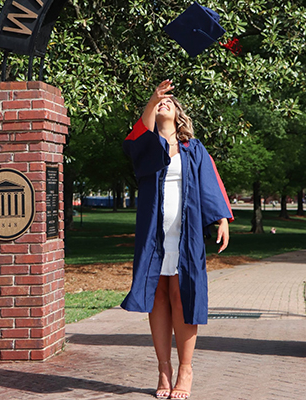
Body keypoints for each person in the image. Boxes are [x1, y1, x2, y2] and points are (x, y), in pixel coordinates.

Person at [121, 79, 233, 399]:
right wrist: (152, 100)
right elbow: (136, 139)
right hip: (154, 237)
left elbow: (210, 183)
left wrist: (222, 218)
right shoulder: (146, 145)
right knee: (157, 297)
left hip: (187, 237)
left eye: (169, 102)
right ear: (152, 113)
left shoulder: (193, 148)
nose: (164, 104)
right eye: (159, 103)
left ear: (179, 114)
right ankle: (163, 370)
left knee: (182, 297)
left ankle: (186, 369)